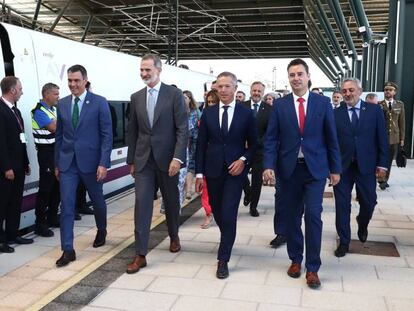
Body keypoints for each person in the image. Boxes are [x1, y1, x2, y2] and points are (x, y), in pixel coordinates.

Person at [263, 58, 342, 289]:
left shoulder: (322, 103)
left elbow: (331, 138)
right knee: (291, 216)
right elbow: (271, 139)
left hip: (315, 169)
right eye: (292, 75)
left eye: (300, 74)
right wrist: (268, 165)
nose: (296, 78)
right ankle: (295, 259)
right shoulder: (280, 105)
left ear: (308, 77)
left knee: (314, 216)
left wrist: (335, 168)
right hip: (289, 170)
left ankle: (313, 267)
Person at [126, 53, 188, 274]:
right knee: (142, 205)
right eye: (141, 70)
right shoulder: (136, 97)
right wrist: (131, 160)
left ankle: (174, 235)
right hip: (144, 161)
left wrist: (178, 158)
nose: (144, 74)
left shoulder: (174, 95)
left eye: (147, 70)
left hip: (168, 160)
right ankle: (140, 254)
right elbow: (132, 131)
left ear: (158, 70)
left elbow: (183, 129)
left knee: (171, 202)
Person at [195, 71, 258, 279]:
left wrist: (243, 160)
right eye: (219, 86)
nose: (222, 90)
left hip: (235, 172)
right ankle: (227, 236)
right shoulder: (208, 113)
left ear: (235, 88)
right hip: (212, 171)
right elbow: (201, 145)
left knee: (229, 212)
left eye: (227, 86)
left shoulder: (246, 114)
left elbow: (255, 145)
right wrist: (199, 173)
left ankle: (223, 259)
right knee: (219, 211)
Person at [55, 65, 113, 267]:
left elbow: (107, 135)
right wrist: (57, 164)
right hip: (68, 163)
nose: (72, 84)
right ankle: (68, 249)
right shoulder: (62, 104)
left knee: (97, 200)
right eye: (69, 81)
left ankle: (102, 228)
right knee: (67, 205)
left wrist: (103, 163)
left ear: (85, 80)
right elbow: (60, 137)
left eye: (76, 81)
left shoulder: (99, 102)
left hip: (92, 162)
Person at [333, 78, 388, 257]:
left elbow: (382, 139)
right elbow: (330, 143)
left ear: (360, 90)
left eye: (351, 90)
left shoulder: (374, 110)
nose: (347, 94)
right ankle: (344, 241)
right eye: (344, 91)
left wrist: (382, 164)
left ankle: (362, 222)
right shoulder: (335, 113)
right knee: (342, 205)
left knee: (369, 201)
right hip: (343, 167)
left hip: (367, 166)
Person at [0, 76, 32, 253]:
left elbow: (22, 140)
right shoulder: (0, 110)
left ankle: (13, 234)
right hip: (7, 169)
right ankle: (1, 240)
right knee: (2, 204)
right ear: (12, 90)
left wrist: (26, 162)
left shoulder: (16, 111)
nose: (22, 91)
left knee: (15, 202)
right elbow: (1, 143)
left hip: (19, 166)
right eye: (20, 88)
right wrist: (6, 167)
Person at [31, 83, 60, 237]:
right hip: (46, 153)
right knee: (46, 189)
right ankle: (40, 224)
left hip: (56, 152)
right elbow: (53, 128)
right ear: (46, 95)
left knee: (57, 187)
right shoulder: (39, 111)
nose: (58, 97)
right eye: (55, 94)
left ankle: (52, 218)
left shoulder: (53, 110)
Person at [241, 81, 270, 217]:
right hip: (243, 150)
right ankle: (248, 192)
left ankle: (254, 206)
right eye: (254, 90)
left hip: (259, 151)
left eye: (259, 91)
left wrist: (256, 142)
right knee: (240, 176)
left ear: (263, 93)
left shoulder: (269, 109)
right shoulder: (241, 106)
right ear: (250, 91)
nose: (256, 93)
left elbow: (269, 132)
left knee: (257, 181)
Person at [378, 82, 405, 190]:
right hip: (380, 137)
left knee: (389, 160)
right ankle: (380, 178)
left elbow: (402, 122)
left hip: (394, 137)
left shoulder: (400, 104)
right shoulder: (379, 104)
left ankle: (384, 179)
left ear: (394, 92)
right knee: (380, 158)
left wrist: (402, 138)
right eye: (386, 89)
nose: (387, 91)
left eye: (390, 90)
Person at [199, 90, 219, 229]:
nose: (211, 104)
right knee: (205, 189)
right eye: (209, 102)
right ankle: (209, 213)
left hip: (221, 160)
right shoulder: (204, 116)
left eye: (213, 101)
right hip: (206, 158)